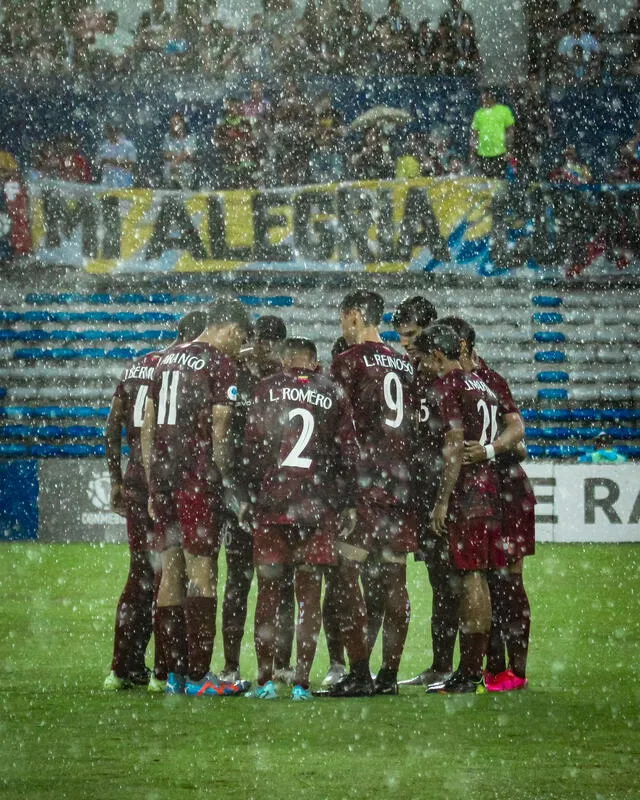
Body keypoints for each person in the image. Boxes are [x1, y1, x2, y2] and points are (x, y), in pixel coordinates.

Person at [141, 297, 251, 697]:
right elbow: (220, 426)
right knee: (201, 574)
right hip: (196, 478)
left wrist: (153, 481)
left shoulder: (166, 359)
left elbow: (148, 422)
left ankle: (171, 672)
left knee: (170, 573)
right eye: (240, 338)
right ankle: (199, 675)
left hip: (166, 478)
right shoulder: (220, 363)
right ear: (230, 328)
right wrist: (223, 475)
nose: (239, 347)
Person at [242, 337, 359, 700]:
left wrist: (250, 496)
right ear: (314, 359)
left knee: (269, 593)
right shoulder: (333, 392)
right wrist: (347, 503)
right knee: (309, 596)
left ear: (285, 358)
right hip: (316, 507)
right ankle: (301, 683)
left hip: (274, 504)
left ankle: (263, 683)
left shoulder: (266, 388)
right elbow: (347, 453)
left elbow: (253, 445)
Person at [103, 310, 207, 692]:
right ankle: (167, 671)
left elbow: (112, 426)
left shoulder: (138, 366)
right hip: (168, 482)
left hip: (136, 483)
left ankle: (122, 667)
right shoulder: (188, 368)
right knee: (172, 574)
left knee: (139, 575)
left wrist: (117, 479)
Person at [324, 290, 417, 697]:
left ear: (355, 316)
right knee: (395, 580)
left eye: (343, 318)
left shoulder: (349, 361)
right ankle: (389, 677)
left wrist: (340, 489)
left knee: (346, 575)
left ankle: (359, 673)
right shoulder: (405, 363)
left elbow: (338, 429)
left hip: (363, 484)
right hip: (400, 484)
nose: (342, 328)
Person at [441, 315, 534, 692]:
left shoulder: (490, 381)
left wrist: (490, 450)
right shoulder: (463, 384)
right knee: (493, 582)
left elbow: (519, 437)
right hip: (489, 491)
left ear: (461, 346)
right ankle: (494, 670)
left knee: (509, 580)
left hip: (507, 492)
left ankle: (516, 670)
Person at [413, 323, 504, 694]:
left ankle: (467, 674)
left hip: (466, 494)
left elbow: (454, 445)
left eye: (427, 359)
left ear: (437, 355)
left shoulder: (447, 385)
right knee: (477, 576)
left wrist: (442, 500)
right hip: (489, 489)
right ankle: (471, 671)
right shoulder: (480, 385)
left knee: (470, 579)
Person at [219, 314, 289, 684]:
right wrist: (236, 491)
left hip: (280, 493)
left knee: (281, 580)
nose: (264, 348)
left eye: (270, 343)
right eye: (259, 341)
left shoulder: (288, 380)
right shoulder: (234, 376)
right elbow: (226, 439)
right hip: (244, 491)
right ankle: (231, 665)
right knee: (238, 580)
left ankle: (281, 664)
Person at [470, 89, 515, 179]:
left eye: (486, 96)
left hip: (500, 152)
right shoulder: (478, 114)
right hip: (482, 153)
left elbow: (510, 131)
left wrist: (509, 150)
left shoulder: (503, 110)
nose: (484, 99)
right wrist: (472, 153)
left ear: (493, 97)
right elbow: (474, 135)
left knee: (499, 181)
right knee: (485, 182)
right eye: (483, 97)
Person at [162, 113, 197, 189]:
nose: (174, 125)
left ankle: (180, 183)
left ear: (183, 123)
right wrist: (180, 156)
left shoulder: (191, 138)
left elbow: (190, 155)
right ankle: (175, 181)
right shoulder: (167, 137)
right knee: (169, 168)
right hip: (170, 168)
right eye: (172, 123)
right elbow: (165, 154)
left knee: (182, 167)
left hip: (186, 169)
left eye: (176, 123)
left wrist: (175, 161)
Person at [96, 122, 137, 188]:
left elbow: (132, 164)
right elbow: (97, 164)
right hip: (106, 182)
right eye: (110, 131)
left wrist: (113, 162)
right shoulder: (103, 147)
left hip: (124, 182)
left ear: (119, 131)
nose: (113, 133)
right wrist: (103, 162)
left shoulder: (128, 146)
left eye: (115, 130)